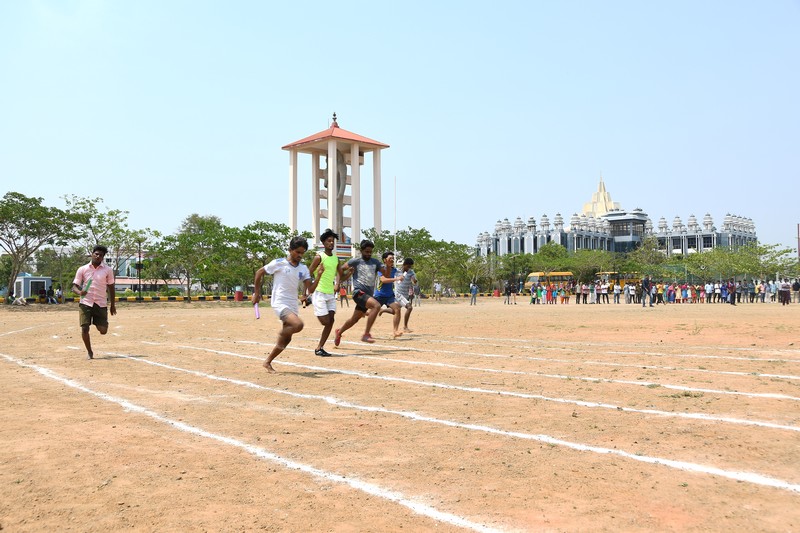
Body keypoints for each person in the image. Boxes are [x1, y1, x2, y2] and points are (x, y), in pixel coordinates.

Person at [252, 236, 320, 373]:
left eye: (302, 253)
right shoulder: (279, 263)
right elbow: (259, 272)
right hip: (279, 302)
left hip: (293, 304)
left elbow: (310, 289)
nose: (300, 255)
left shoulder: (303, 268)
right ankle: (282, 333)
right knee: (297, 325)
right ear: (290, 250)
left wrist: (319, 275)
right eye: (297, 252)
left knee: (286, 340)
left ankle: (267, 362)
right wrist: (257, 293)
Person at [335, 239, 386, 345]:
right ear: (361, 251)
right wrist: (338, 283)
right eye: (367, 251)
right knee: (376, 306)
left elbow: (386, 274)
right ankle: (366, 334)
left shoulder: (375, 262)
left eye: (370, 252)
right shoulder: (355, 261)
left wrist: (388, 266)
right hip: (358, 293)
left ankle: (339, 332)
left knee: (354, 319)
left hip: (367, 296)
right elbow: (340, 269)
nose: (369, 254)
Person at [308, 229, 348, 357]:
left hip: (330, 293)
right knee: (325, 321)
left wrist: (340, 281)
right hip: (319, 292)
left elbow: (341, 275)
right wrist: (307, 290)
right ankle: (310, 299)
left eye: (333, 241)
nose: (331, 243)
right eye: (329, 241)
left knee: (331, 320)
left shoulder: (336, 259)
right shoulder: (319, 257)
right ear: (323, 243)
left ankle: (319, 348)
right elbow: (308, 273)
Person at [72, 245, 117, 360]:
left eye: (100, 255)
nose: (98, 256)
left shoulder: (108, 270)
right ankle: (89, 352)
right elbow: (74, 286)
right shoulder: (82, 269)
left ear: (103, 257)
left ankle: (98, 322)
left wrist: (112, 305)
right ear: (92, 254)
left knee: (103, 330)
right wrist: (80, 292)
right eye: (96, 254)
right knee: (84, 328)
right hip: (86, 302)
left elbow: (111, 287)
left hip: (100, 303)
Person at [379, 256, 419, 332]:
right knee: (409, 307)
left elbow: (414, 281)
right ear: (404, 264)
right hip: (398, 294)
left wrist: (414, 281)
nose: (409, 268)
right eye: (408, 266)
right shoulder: (397, 271)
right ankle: (405, 327)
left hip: (405, 295)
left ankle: (383, 310)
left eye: (410, 267)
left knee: (395, 310)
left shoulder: (411, 272)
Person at [373, 251, 406, 337]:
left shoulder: (394, 270)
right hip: (379, 295)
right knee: (370, 313)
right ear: (385, 260)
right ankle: (362, 313)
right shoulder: (381, 269)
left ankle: (395, 331)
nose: (392, 260)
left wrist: (402, 276)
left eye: (393, 258)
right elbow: (383, 280)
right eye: (390, 258)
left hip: (389, 295)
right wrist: (397, 279)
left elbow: (401, 273)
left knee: (397, 309)